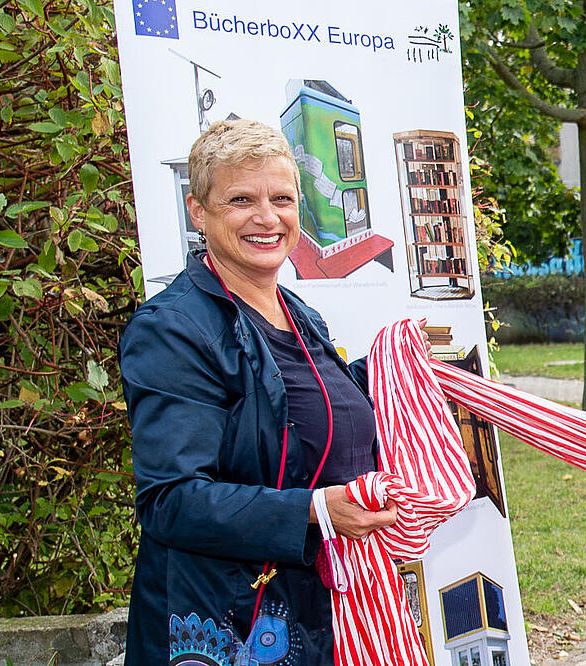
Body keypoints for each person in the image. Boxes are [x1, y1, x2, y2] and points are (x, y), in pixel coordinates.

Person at [120, 119, 398, 665]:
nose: (267, 218)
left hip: (318, 610)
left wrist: (402, 374)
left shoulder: (300, 314)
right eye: (241, 199)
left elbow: (313, 416)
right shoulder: (173, 330)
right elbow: (170, 500)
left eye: (282, 198)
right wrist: (315, 510)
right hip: (227, 622)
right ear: (198, 212)